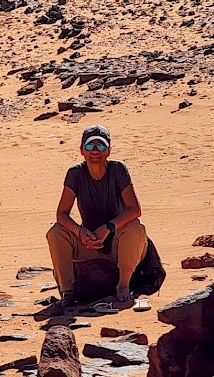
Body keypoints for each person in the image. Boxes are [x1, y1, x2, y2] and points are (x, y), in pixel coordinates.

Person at [46, 124, 147, 314]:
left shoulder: (118, 170)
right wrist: (80, 231)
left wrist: (109, 228)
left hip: (118, 244)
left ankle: (123, 285)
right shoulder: (75, 173)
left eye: (101, 146)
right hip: (89, 243)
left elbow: (135, 209)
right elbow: (61, 214)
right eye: (89, 146)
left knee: (135, 227)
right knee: (56, 232)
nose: (95, 151)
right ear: (81, 150)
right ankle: (67, 291)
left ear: (109, 150)